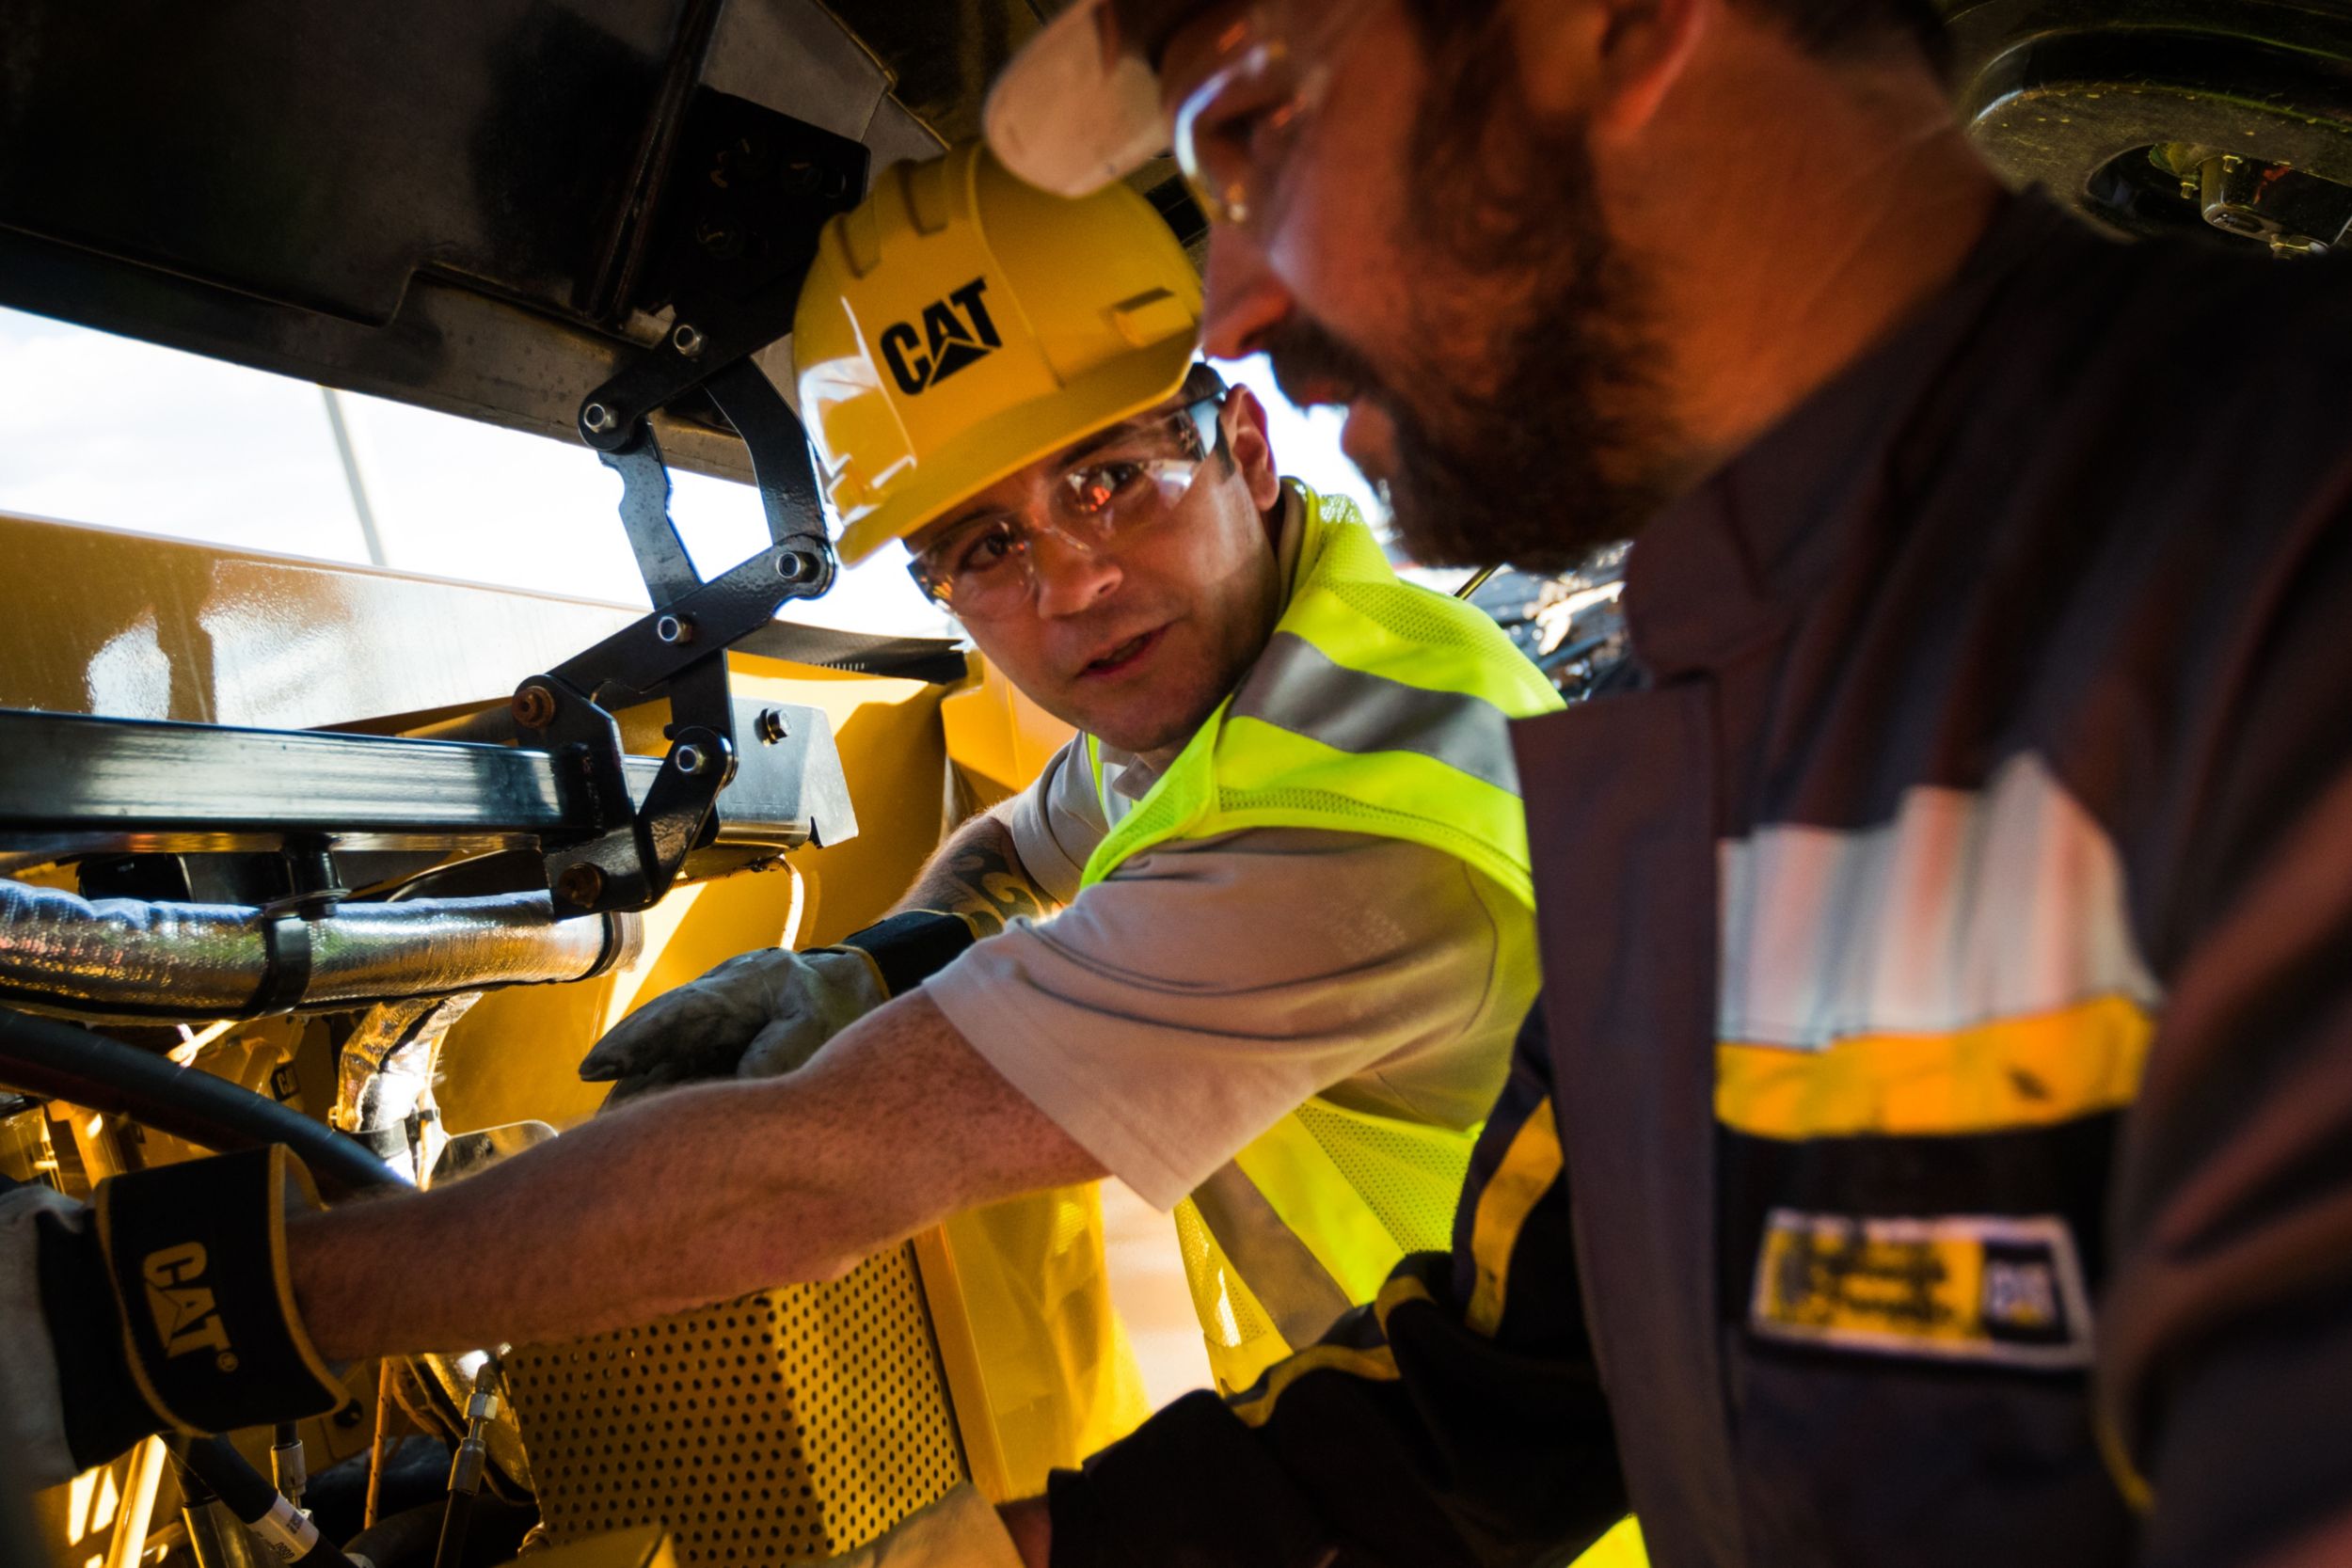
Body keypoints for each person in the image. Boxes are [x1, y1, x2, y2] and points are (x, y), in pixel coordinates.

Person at [866, 0, 2351, 1565]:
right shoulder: (1707, 714)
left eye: (1256, 134)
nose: (1230, 305)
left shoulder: (2279, 557)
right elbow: (1526, 1390)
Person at [0, 139, 1567, 1535]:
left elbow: (818, 1179)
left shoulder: (1350, 831)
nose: (1072, 585)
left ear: (1243, 447)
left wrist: (151, 1316)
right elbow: (1031, 835)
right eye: (984, 547)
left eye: (1111, 478)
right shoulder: (1289, 660)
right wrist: (872, 965)